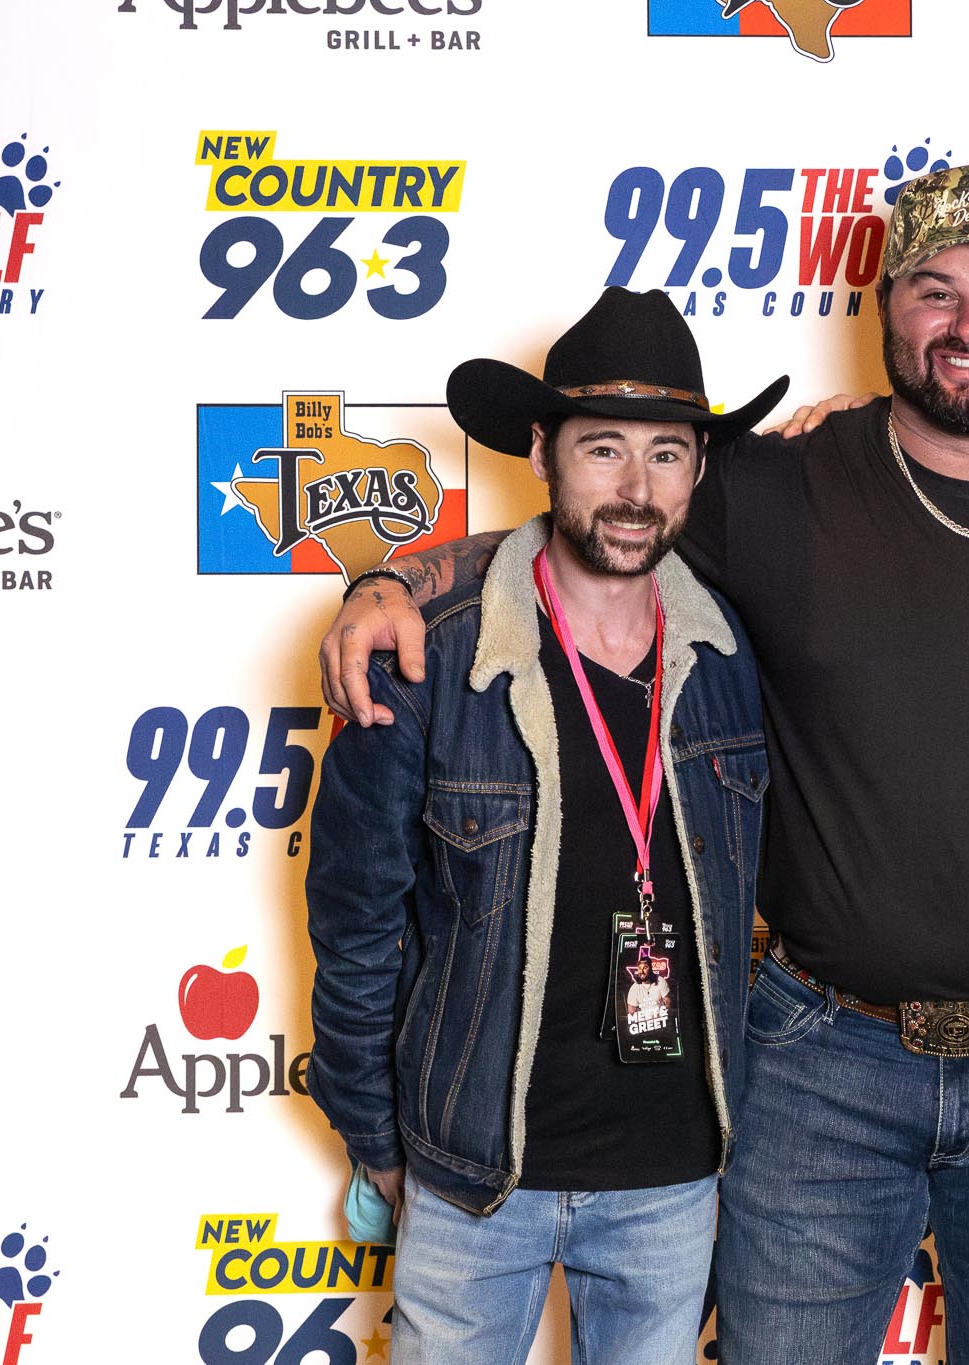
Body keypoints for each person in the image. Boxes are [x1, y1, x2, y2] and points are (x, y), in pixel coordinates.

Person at [314, 165, 969, 1364]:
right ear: (885, 307)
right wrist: (387, 583)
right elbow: (592, 529)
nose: (968, 324)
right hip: (819, 1063)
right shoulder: (773, 483)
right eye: (934, 290)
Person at [305, 288, 780, 1363]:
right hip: (474, 1177)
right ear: (540, 452)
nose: (635, 488)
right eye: (603, 448)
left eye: (666, 453)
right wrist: (378, 1139)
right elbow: (355, 921)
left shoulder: (734, 655)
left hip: (672, 1181)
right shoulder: (426, 653)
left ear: (700, 469)